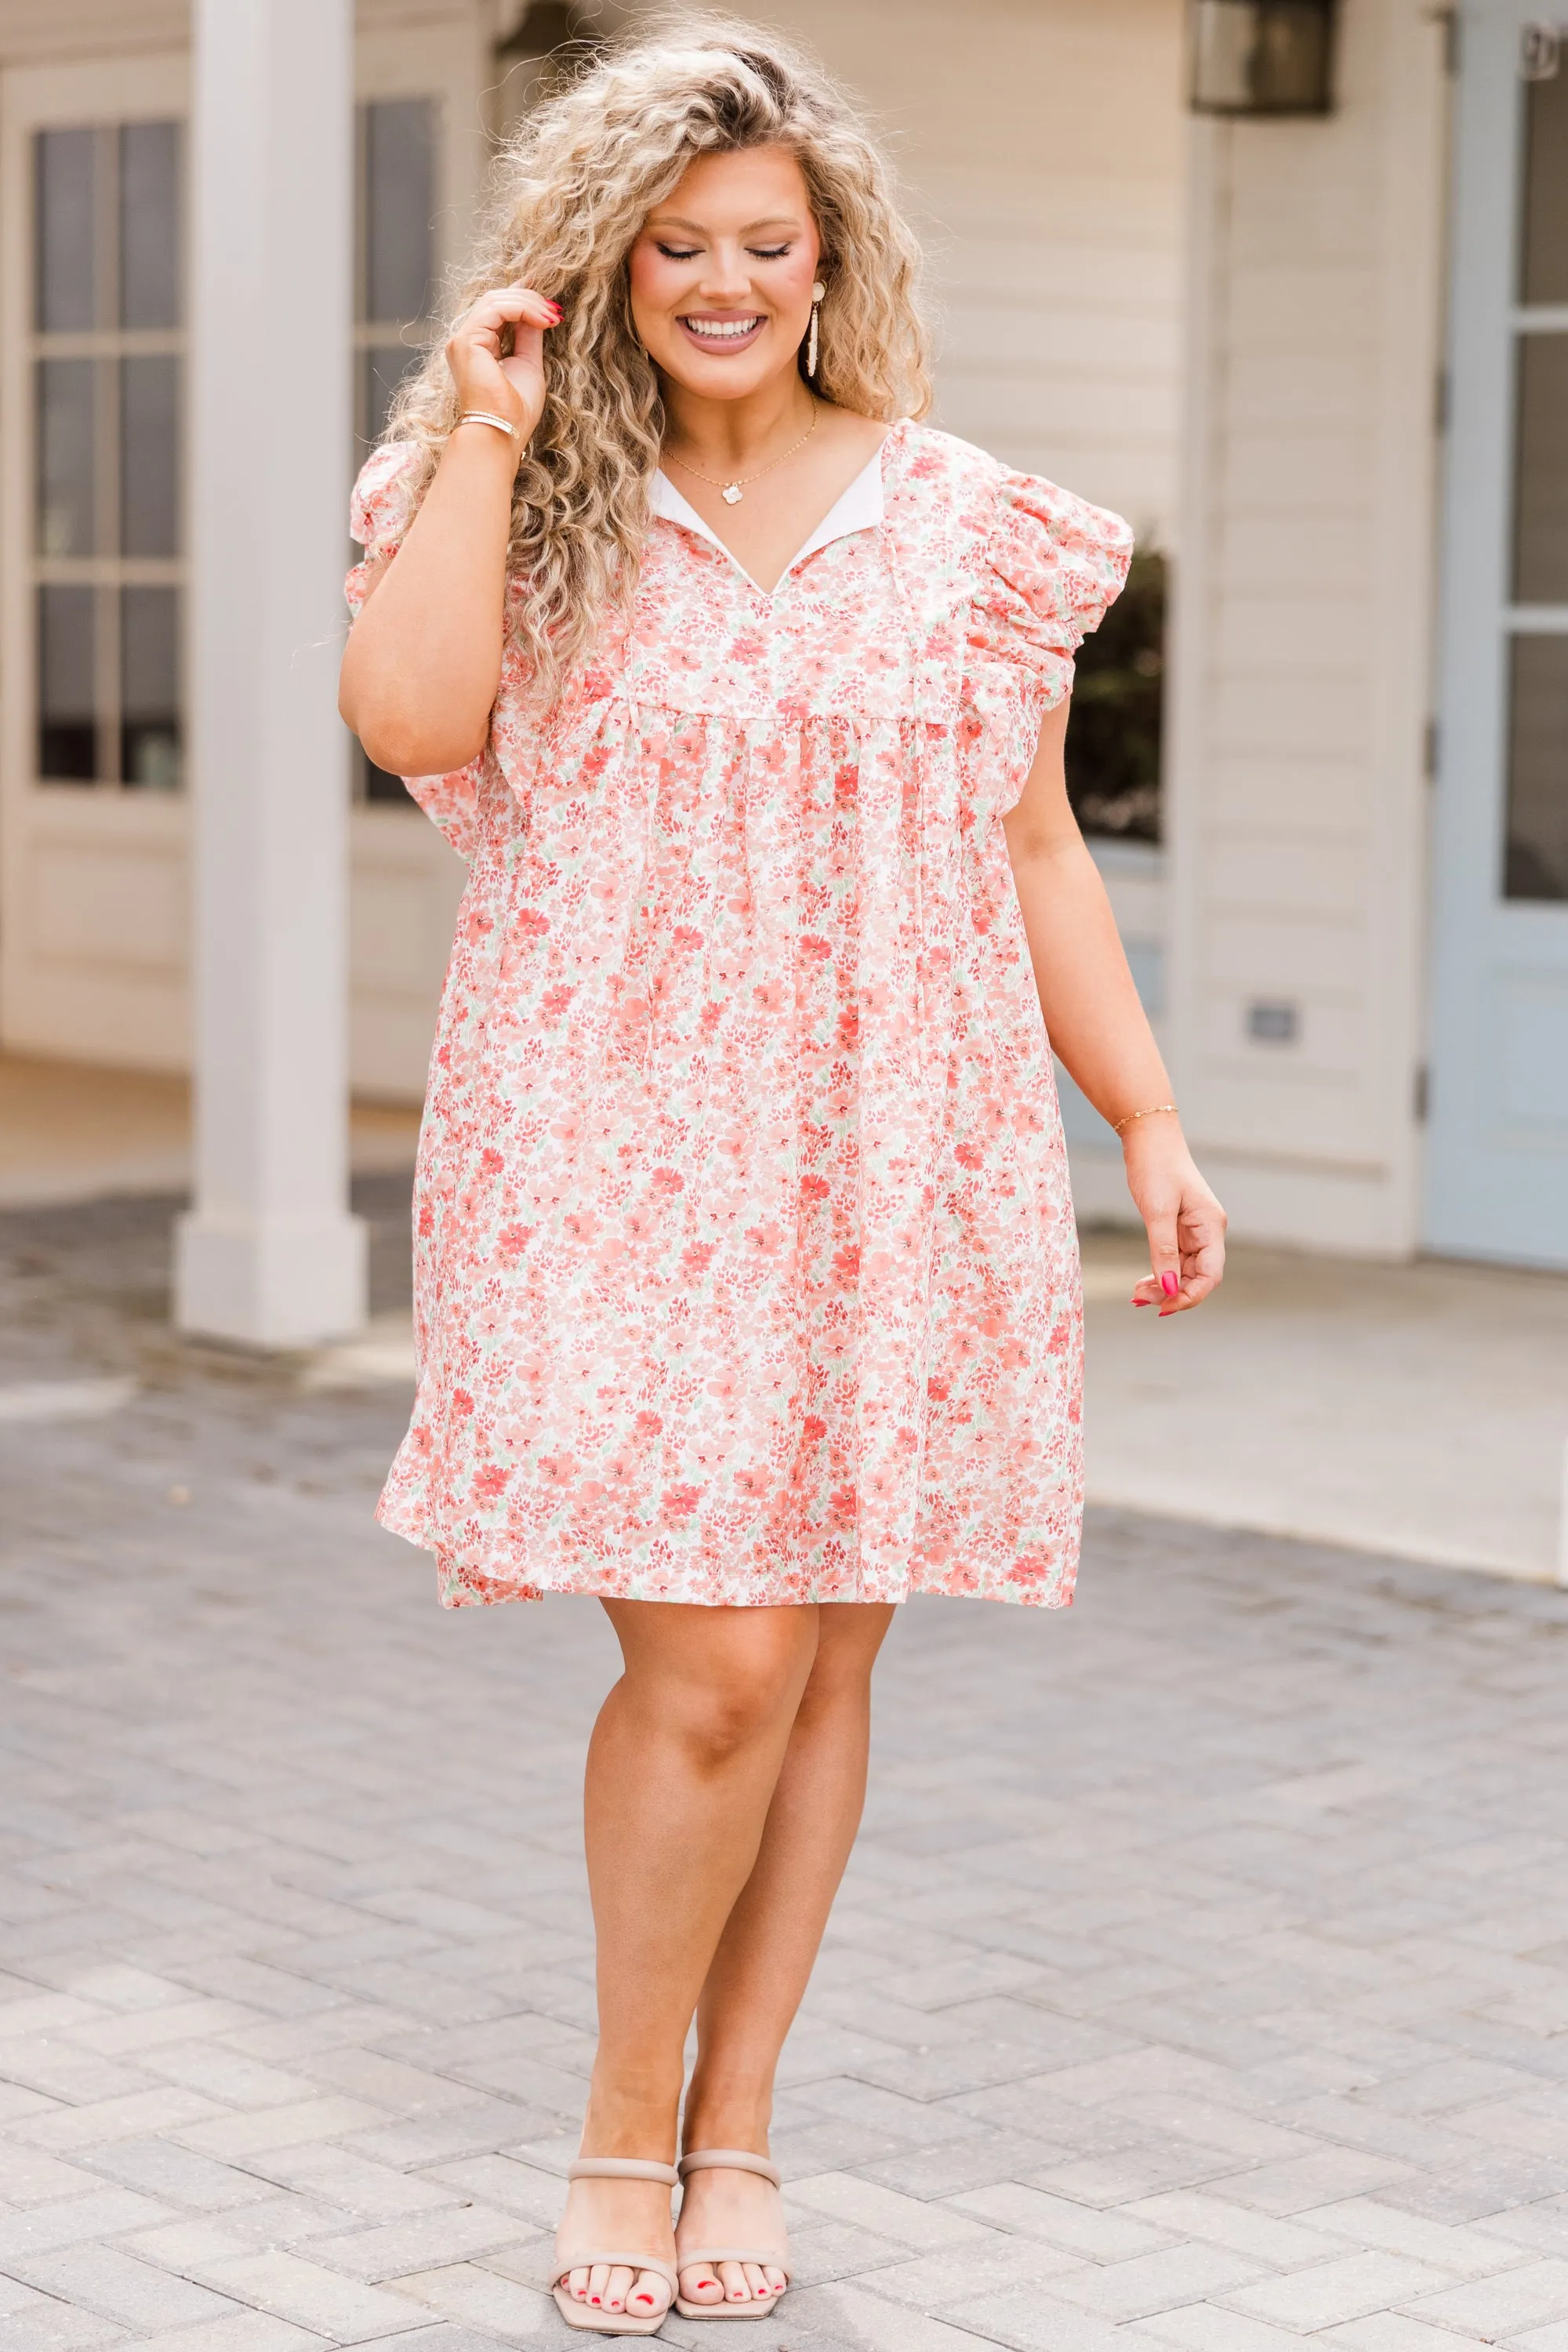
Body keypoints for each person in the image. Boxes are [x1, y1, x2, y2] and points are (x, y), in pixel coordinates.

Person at [339, 15, 1226, 2334]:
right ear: (606, 262)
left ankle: (740, 2125)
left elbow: (1030, 843)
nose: (723, 280)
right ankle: (621, 2137)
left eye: (766, 242)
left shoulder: (969, 525)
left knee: (827, 1653)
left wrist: (1140, 1113)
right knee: (718, 1660)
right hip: (601, 1143)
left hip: (894, 1141)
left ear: (829, 257)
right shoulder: (504, 491)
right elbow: (415, 726)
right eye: (676, 245)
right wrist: (493, 423)